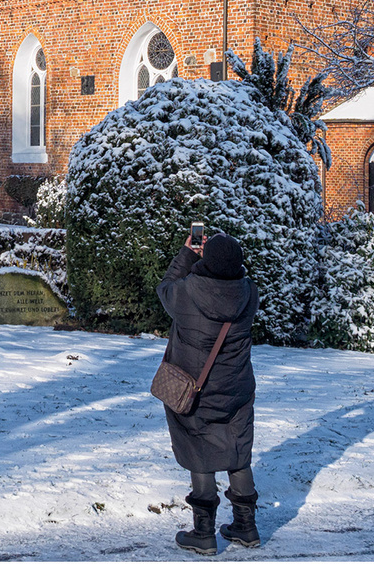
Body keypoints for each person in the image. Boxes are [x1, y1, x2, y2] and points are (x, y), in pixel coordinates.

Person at [156, 229, 261, 554]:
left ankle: (204, 533)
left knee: (200, 450)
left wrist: (188, 254)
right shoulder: (250, 294)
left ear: (207, 260)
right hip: (237, 390)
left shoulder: (188, 293)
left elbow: (165, 289)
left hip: (196, 391)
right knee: (238, 451)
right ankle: (246, 528)